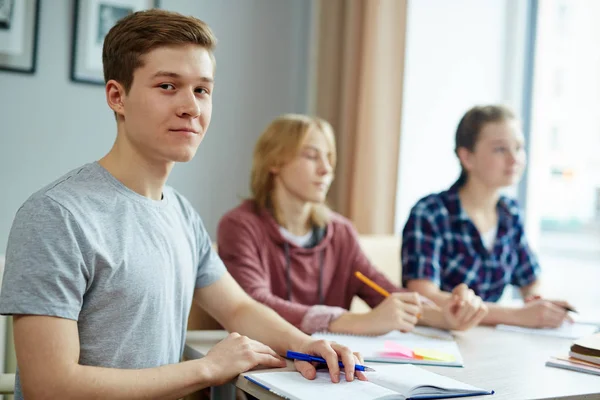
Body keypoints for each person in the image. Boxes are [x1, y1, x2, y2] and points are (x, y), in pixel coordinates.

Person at [0, 10, 363, 400]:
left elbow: (238, 308)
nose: (191, 107)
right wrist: (207, 368)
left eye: (202, 90)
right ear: (116, 96)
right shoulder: (57, 215)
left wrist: (303, 342)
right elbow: (49, 386)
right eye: (168, 86)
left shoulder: (180, 213)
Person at [217, 114, 488, 337]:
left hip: (332, 371)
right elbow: (253, 303)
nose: (326, 169)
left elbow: (384, 292)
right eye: (312, 156)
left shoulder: (340, 232)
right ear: (274, 162)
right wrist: (356, 322)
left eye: (329, 158)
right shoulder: (240, 226)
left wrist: (444, 316)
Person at [401, 105, 574, 329]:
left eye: (519, 147)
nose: (514, 159)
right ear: (467, 157)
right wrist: (517, 315)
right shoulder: (431, 213)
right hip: (438, 339)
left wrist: (538, 304)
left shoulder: (510, 213)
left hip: (488, 340)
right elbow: (423, 295)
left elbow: (530, 281)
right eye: (500, 149)